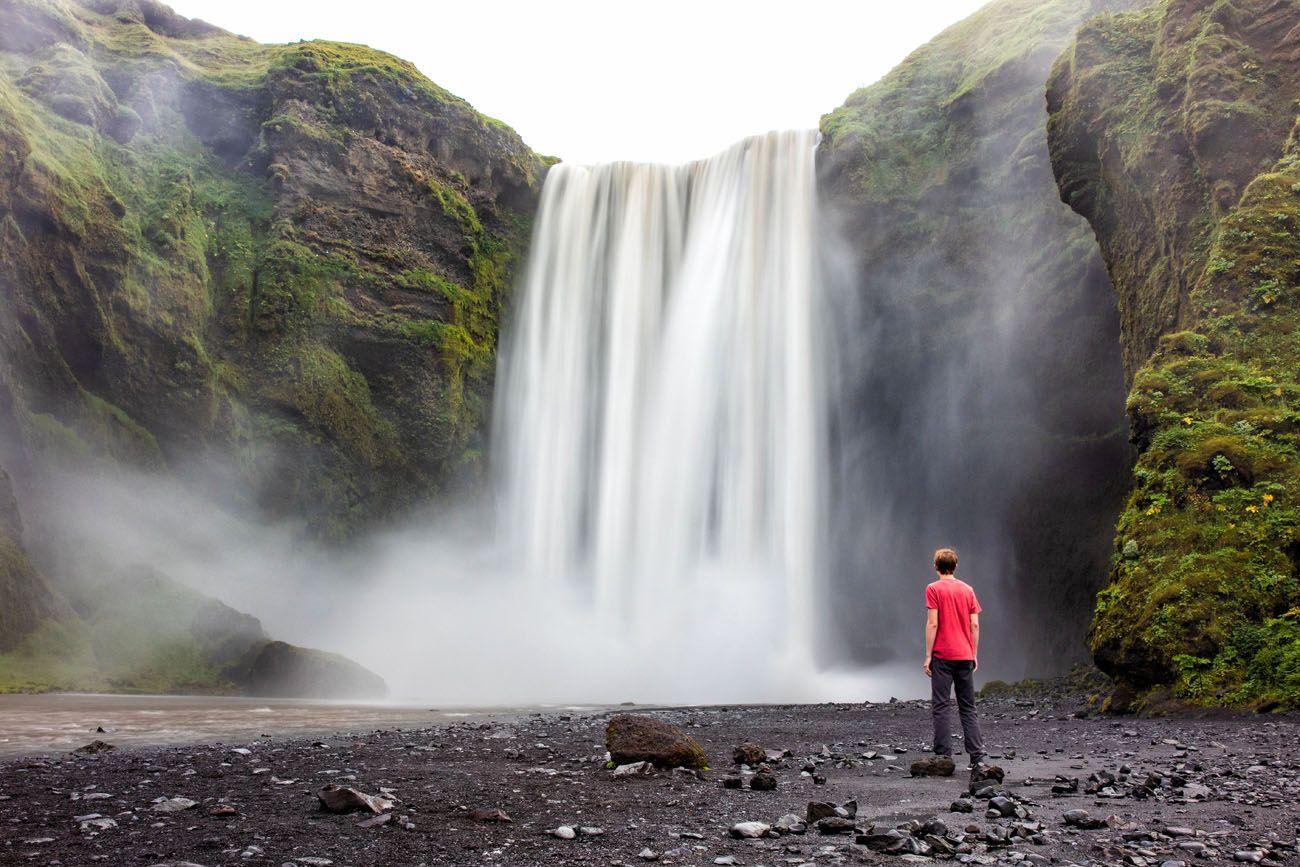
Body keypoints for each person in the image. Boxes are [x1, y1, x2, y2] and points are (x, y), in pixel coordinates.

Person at [923, 547, 985, 767]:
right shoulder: (968, 590)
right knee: (968, 707)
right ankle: (977, 757)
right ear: (956, 566)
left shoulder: (933, 589)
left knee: (941, 705)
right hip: (964, 655)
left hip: (942, 655)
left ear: (936, 566)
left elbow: (933, 623)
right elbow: (974, 624)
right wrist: (973, 653)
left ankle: (943, 756)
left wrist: (928, 655)